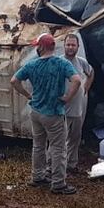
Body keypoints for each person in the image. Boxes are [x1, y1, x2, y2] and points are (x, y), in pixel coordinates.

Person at [10, 33, 82, 195]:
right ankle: (58, 183)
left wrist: (28, 95)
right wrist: (67, 98)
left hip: (36, 111)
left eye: (37, 46)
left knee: (38, 145)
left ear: (42, 47)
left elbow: (14, 81)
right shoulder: (61, 63)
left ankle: (37, 177)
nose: (36, 48)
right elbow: (77, 80)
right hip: (54, 112)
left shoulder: (32, 65)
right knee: (58, 148)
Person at [61, 33, 94, 173]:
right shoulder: (58, 62)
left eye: (73, 45)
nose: (70, 47)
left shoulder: (81, 62)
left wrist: (86, 87)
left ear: (77, 47)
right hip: (62, 109)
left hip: (78, 108)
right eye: (68, 44)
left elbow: (91, 73)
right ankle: (53, 166)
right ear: (64, 46)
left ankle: (71, 165)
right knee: (59, 139)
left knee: (75, 138)